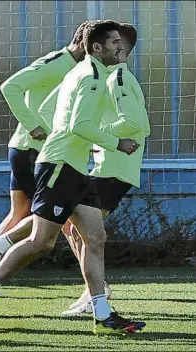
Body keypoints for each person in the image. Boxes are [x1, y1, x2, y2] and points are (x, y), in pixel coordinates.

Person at [0, 20, 146, 337]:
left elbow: (61, 112)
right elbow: (79, 126)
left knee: (95, 237)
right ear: (96, 48)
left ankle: (102, 315)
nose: (122, 48)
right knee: (41, 242)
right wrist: (116, 142)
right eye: (114, 42)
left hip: (75, 168)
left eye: (122, 42)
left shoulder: (92, 74)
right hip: (59, 166)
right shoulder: (91, 77)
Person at [0, 21, 90, 290]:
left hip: (28, 150)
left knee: (19, 214)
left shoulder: (76, 69)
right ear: (84, 43)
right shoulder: (57, 62)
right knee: (64, 218)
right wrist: (34, 126)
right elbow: (10, 86)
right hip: (31, 150)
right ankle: (91, 289)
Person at [59, 23, 150, 316]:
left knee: (76, 223)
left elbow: (137, 123)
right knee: (71, 223)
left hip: (115, 166)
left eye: (115, 41)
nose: (111, 46)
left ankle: (95, 293)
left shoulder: (119, 77)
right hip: (107, 165)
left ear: (122, 47)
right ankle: (94, 290)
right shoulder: (109, 76)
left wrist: (97, 133)